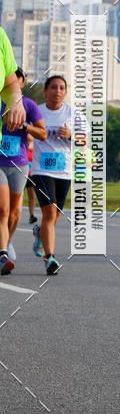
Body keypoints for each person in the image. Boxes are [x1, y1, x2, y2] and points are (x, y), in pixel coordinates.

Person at [30, 75, 83, 275]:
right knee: (50, 213)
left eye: (61, 88)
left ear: (66, 92)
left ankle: (40, 233)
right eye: (53, 87)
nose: (57, 91)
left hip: (64, 170)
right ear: (45, 90)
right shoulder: (37, 112)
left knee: (54, 215)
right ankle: (50, 257)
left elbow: (84, 140)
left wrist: (71, 135)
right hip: (41, 169)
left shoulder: (73, 113)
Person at [0, 68, 46, 272]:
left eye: (17, 79)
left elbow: (42, 133)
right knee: (3, 209)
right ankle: (2, 253)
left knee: (15, 212)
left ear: (22, 83)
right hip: (0, 161)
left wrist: (25, 126)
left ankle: (7, 242)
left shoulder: (29, 105)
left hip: (19, 163)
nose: (12, 82)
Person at [0, 28, 27, 272]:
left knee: (6, 209)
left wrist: (15, 101)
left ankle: (3, 248)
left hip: (15, 161)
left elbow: (10, 83)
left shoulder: (0, 36)